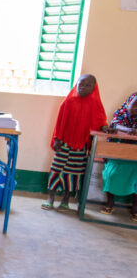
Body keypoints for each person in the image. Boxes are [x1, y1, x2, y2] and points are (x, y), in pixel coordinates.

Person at [41, 75, 106, 211]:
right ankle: (50, 198)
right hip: (64, 142)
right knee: (56, 170)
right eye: (81, 84)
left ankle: (66, 200)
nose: (83, 87)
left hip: (81, 145)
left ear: (94, 88)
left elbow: (100, 121)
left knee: (74, 173)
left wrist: (105, 127)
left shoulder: (95, 105)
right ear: (76, 84)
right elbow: (59, 122)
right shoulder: (69, 102)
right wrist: (57, 138)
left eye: (88, 85)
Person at [101, 91, 137, 218]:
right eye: (135, 105)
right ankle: (110, 202)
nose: (136, 109)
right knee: (111, 173)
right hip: (117, 155)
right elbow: (115, 125)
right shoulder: (120, 113)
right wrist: (130, 130)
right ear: (128, 103)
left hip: (135, 158)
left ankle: (135, 207)